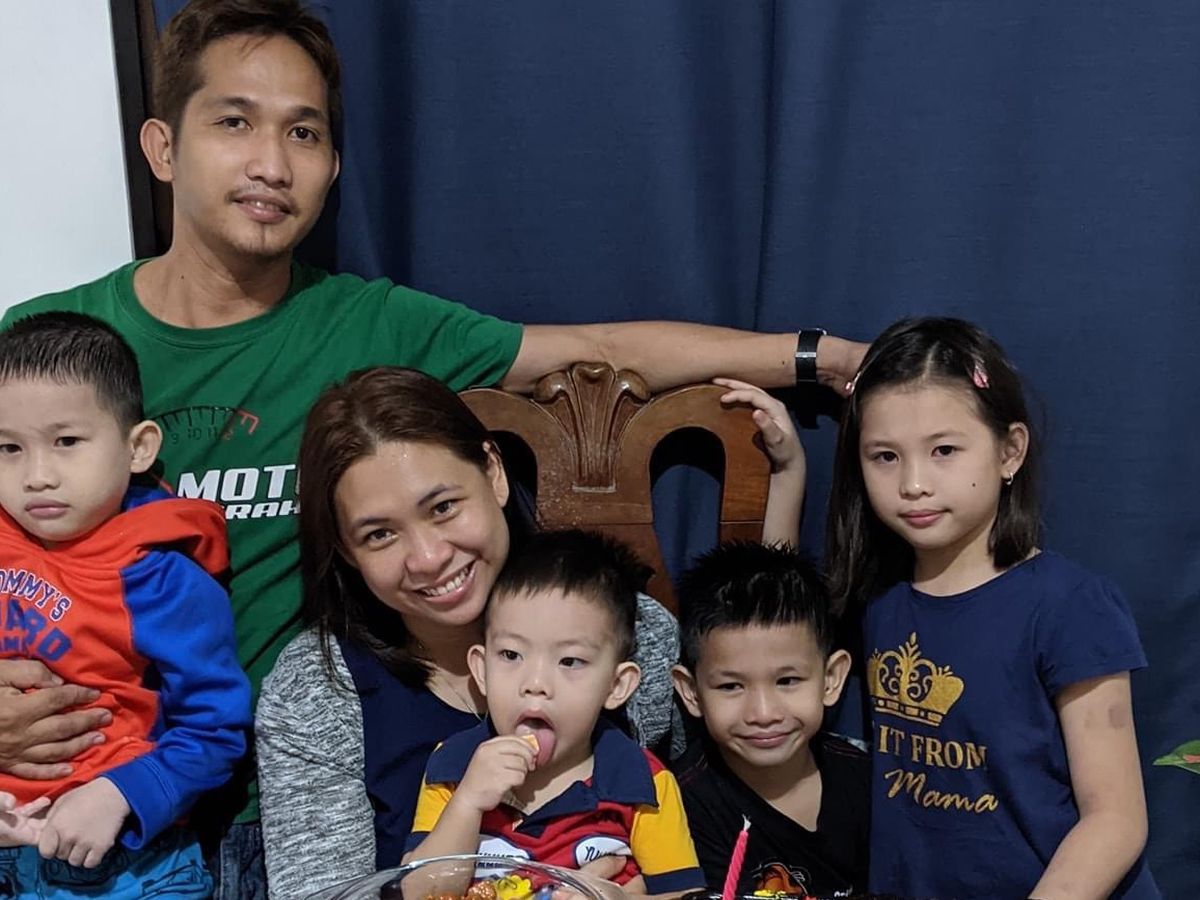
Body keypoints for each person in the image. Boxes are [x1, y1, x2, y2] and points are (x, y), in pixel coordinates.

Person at [0, 1, 863, 893]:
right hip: (103, 795)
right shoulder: (46, 354)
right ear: (162, 148)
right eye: (233, 122)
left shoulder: (370, 325)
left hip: (283, 800)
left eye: (303, 132)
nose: (271, 164)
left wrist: (825, 358)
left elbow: (600, 348)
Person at [255, 366, 802, 898]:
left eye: (443, 507)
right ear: (347, 552)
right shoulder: (319, 691)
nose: (427, 557)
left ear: (493, 472)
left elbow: (727, 808)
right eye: (379, 535)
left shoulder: (636, 632)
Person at [825, 317, 1159, 899]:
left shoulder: (1070, 606)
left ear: (1010, 451)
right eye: (885, 456)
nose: (913, 483)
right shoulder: (879, 599)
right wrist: (786, 469)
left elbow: (1116, 819)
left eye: (944, 450)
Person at [0, 313, 251, 896]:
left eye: (67, 442)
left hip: (125, 861)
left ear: (138, 447)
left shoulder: (161, 578)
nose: (37, 476)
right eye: (8, 447)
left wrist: (121, 795)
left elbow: (217, 729)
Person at [404, 529, 705, 897]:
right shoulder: (453, 766)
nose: (535, 683)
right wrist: (467, 803)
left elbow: (683, 893)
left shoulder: (643, 783)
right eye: (511, 655)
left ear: (616, 685)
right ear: (481, 671)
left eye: (569, 661)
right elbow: (416, 892)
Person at [670, 542, 868, 898]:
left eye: (787, 681)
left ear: (831, 678)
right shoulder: (681, 805)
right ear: (692, 692)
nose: (763, 714)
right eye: (731, 686)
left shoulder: (866, 780)